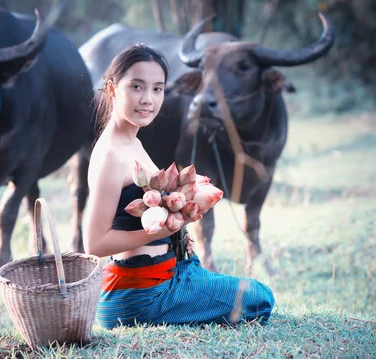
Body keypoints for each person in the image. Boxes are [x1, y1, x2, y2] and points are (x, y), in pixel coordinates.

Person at [83, 43, 275, 329]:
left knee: (256, 293)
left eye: (157, 89)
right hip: (142, 296)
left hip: (165, 278)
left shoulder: (132, 142)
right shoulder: (112, 154)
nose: (147, 99)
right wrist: (164, 230)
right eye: (136, 87)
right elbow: (95, 243)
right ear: (112, 89)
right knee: (261, 298)